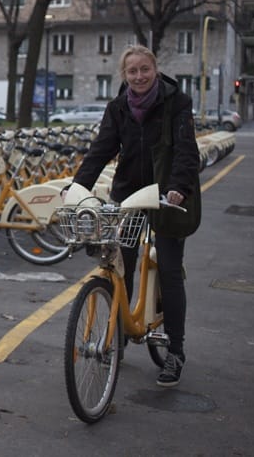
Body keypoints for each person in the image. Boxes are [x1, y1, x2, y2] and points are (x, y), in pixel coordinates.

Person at [68, 44, 200, 388]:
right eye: (132, 71)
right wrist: (76, 188)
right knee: (119, 261)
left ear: (155, 69)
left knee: (169, 270)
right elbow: (102, 149)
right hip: (129, 191)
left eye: (145, 69)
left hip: (167, 194)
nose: (139, 76)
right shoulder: (118, 107)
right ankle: (119, 335)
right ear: (124, 75)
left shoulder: (176, 102)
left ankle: (176, 351)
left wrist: (178, 187)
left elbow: (187, 150)